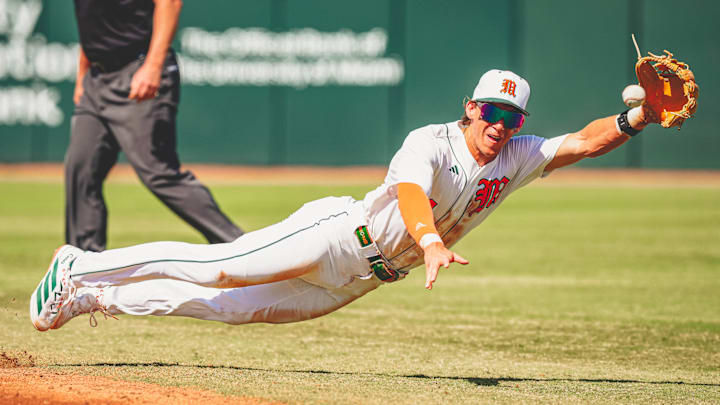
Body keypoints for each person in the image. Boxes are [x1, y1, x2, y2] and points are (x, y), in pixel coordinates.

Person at [31, 69, 652, 331]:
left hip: (361, 279)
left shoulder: (517, 155)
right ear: (470, 108)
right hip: (337, 234)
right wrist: (431, 239)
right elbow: (411, 192)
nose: (500, 124)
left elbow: (581, 142)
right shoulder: (430, 142)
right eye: (491, 111)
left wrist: (638, 118)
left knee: (223, 307)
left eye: (511, 117)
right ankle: (79, 263)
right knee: (221, 265)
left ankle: (91, 297)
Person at [66, 0, 243, 252]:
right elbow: (92, 22)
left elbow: (169, 3)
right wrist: (82, 73)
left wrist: (152, 66)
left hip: (137, 68)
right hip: (96, 78)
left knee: (159, 173)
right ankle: (84, 270)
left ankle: (240, 247)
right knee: (80, 170)